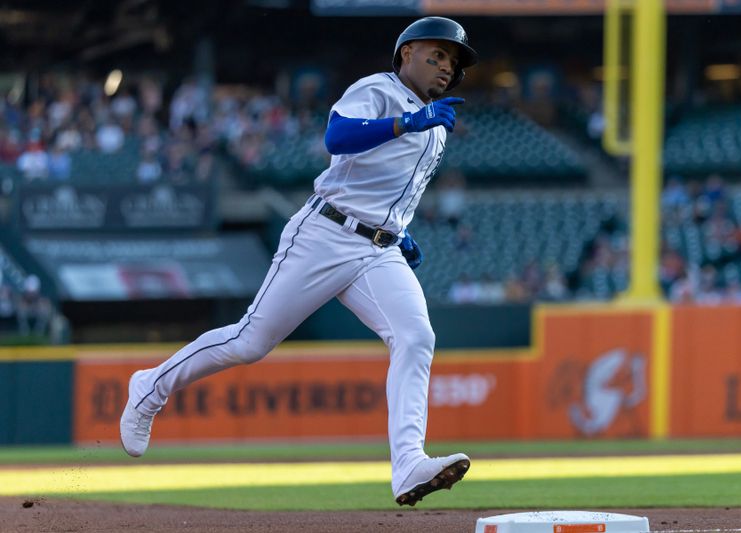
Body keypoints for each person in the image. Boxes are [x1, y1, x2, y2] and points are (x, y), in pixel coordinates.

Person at [120, 16, 478, 507]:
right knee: (250, 342)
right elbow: (337, 138)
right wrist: (404, 123)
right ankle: (150, 387)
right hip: (325, 233)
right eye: (435, 54)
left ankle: (409, 464)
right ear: (406, 53)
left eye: (452, 61)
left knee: (416, 337)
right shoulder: (379, 90)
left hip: (378, 248)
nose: (444, 66)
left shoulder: (435, 124)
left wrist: (400, 230)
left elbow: (387, 185)